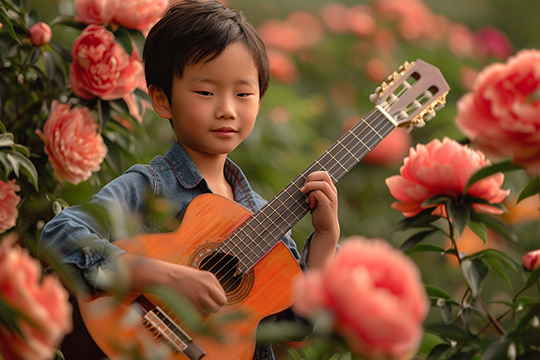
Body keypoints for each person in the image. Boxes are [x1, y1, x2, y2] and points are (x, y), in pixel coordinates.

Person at [39, 1, 340, 359]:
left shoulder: (264, 218)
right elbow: (60, 236)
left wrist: (325, 237)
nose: (227, 108)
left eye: (243, 93)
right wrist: (163, 277)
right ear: (162, 100)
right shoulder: (148, 185)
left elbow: (298, 326)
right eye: (206, 92)